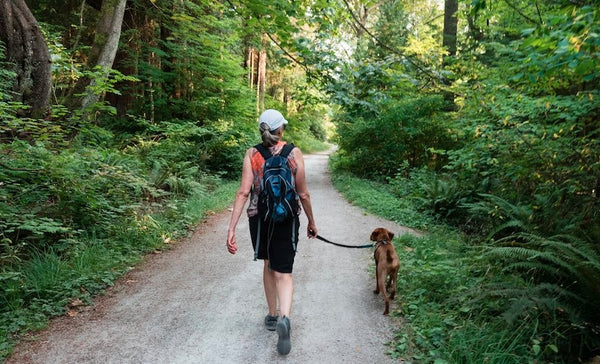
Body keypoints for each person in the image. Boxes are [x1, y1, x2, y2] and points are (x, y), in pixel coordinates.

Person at [226, 109, 318, 355]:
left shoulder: (252, 154)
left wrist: (231, 227)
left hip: (261, 219)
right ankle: (284, 318)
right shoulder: (294, 153)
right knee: (284, 272)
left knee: (268, 264)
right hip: (287, 218)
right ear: (281, 129)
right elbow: (303, 193)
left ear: (261, 129)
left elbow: (243, 192)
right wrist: (311, 221)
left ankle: (271, 314)